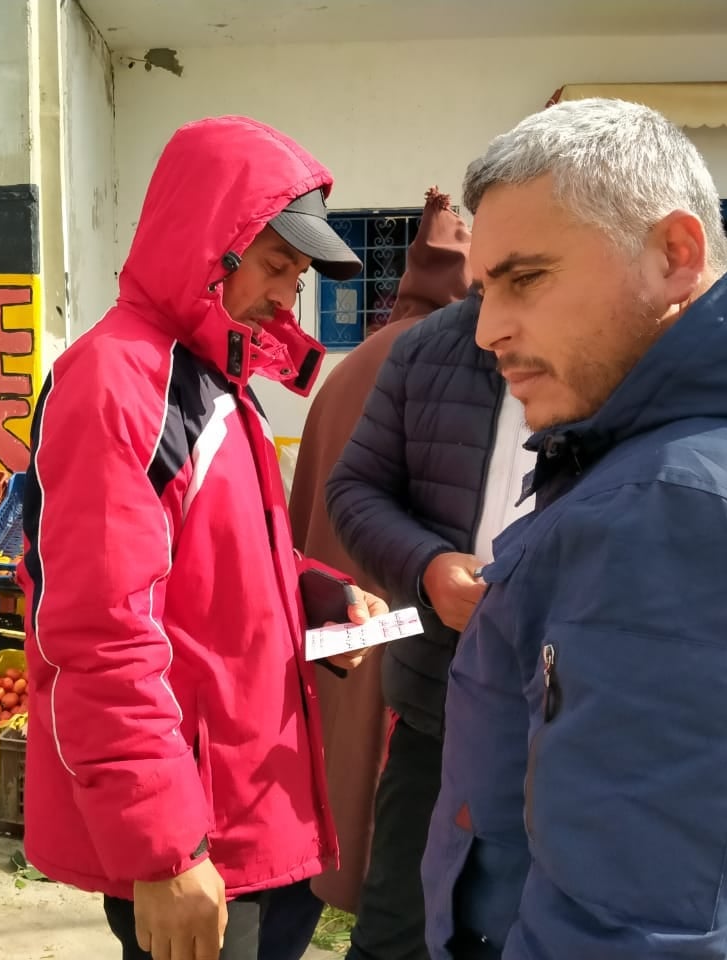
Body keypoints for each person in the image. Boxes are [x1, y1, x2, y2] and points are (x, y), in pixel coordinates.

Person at [422, 96, 727, 960]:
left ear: (675, 255)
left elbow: (625, 934)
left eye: (525, 278)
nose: (489, 329)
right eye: (482, 290)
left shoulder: (685, 513)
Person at [17, 115, 388, 960]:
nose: (288, 294)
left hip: (258, 812)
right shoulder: (118, 383)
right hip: (201, 836)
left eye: (298, 275)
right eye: (275, 264)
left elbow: (215, 561)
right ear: (209, 245)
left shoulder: (215, 379)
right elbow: (100, 629)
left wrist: (316, 593)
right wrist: (165, 851)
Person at [319, 191, 536, 957]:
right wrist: (429, 567)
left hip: (565, 718)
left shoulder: (617, 357)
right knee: (400, 926)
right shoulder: (425, 352)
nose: (498, 320)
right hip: (433, 698)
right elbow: (352, 488)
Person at [275, 187, 475, 943]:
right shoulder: (447, 374)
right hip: (401, 618)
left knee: (332, 768)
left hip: (331, 615)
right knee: (389, 793)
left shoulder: (351, 364)